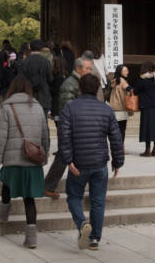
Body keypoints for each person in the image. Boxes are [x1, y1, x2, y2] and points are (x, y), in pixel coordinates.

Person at [58, 73, 124, 252]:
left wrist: (68, 160)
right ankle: (94, 238)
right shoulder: (106, 109)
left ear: (80, 87)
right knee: (98, 201)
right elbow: (116, 138)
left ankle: (81, 224)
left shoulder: (70, 107)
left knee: (73, 196)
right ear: (97, 89)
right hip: (99, 162)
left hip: (78, 163)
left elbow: (63, 136)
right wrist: (118, 162)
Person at [0, 75, 50, 249]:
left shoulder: (7, 107)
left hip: (12, 159)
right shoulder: (38, 107)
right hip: (32, 160)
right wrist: (44, 155)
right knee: (29, 198)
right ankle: (31, 238)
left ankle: (3, 212)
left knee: (6, 182)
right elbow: (45, 135)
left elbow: (2, 136)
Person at [45, 56, 93, 198]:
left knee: (83, 157)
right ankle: (48, 185)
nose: (90, 71)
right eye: (87, 68)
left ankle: (94, 191)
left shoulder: (80, 83)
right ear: (78, 68)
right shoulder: (70, 84)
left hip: (79, 126)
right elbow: (69, 109)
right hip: (71, 127)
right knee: (63, 156)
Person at [132, 60, 155, 157]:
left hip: (146, 106)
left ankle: (147, 150)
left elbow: (136, 91)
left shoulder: (143, 80)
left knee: (147, 128)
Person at [20, 40, 53, 115]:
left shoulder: (24, 62)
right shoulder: (46, 62)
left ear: (30, 48)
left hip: (28, 95)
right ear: (41, 48)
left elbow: (21, 80)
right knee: (43, 122)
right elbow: (50, 79)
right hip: (43, 95)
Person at [109, 64, 134, 151]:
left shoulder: (114, 80)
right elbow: (129, 89)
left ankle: (116, 146)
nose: (127, 72)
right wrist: (132, 93)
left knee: (115, 130)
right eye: (125, 70)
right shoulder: (122, 81)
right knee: (122, 130)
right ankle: (121, 147)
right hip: (121, 109)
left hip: (114, 108)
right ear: (121, 72)